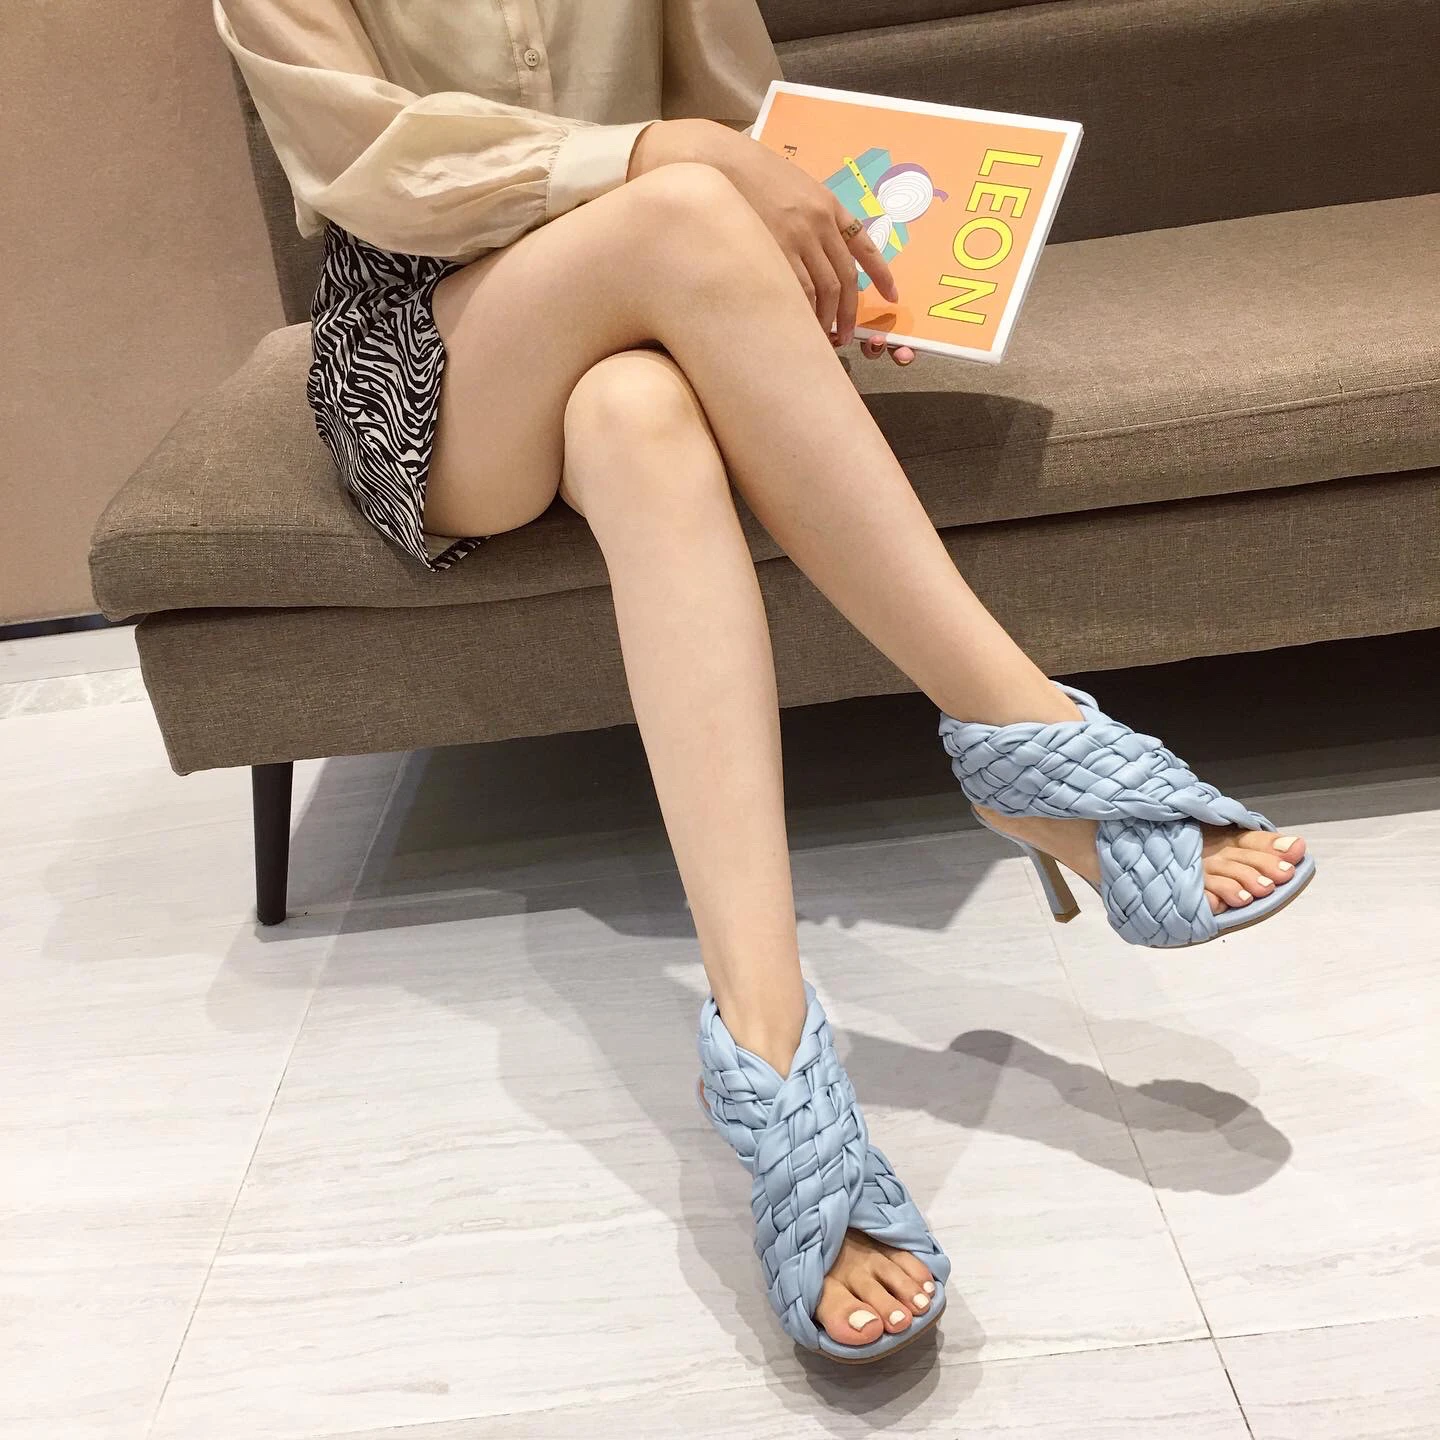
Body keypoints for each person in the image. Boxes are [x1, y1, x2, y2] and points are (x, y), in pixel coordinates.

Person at [216, 0, 1316, 1365]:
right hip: (430, 351)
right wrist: (667, 163)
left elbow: (741, 118)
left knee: (643, 418)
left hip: (645, 320)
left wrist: (821, 274)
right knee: (683, 212)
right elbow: (366, 161)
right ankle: (1023, 737)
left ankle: (769, 1040)